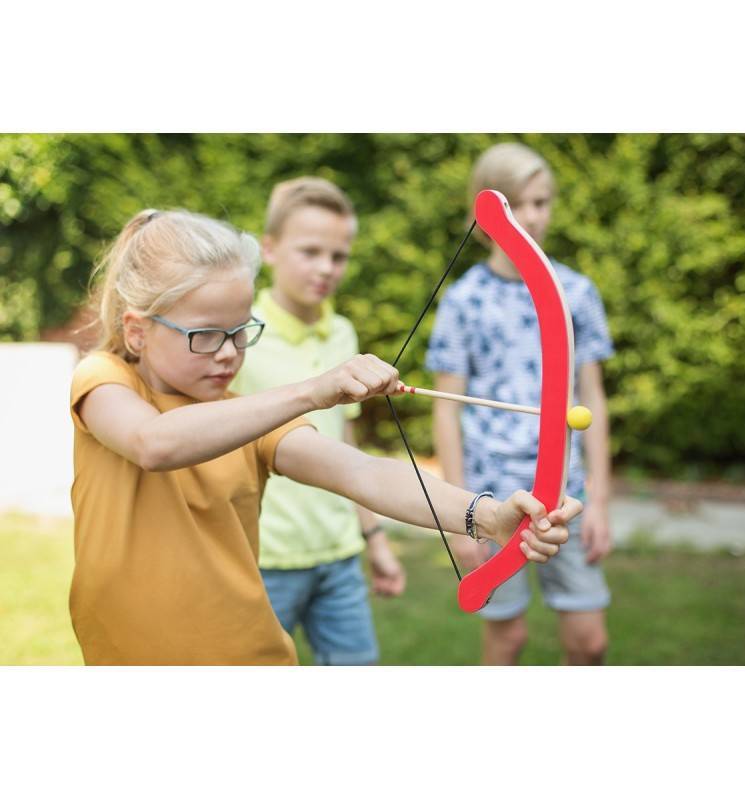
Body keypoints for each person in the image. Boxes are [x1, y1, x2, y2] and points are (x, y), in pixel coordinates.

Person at [69, 206, 580, 666]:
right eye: (206, 335)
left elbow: (360, 471)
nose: (228, 353)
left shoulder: (245, 416)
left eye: (241, 331)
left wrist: (488, 516)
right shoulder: (103, 381)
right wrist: (313, 390)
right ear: (137, 330)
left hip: (248, 659)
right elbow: (153, 444)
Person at [426, 142, 614, 666]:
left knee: (589, 641)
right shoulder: (465, 298)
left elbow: (591, 397)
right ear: (485, 212)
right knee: (505, 641)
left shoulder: (574, 290)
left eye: (541, 201)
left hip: (565, 494)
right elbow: (446, 408)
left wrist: (598, 500)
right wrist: (460, 515)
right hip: (491, 494)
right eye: (516, 204)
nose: (532, 215)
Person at [231, 177, 404, 665]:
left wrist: (375, 541)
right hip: (262, 560)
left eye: (339, 255)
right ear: (269, 249)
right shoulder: (238, 334)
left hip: (339, 556)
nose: (327, 268)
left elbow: (346, 444)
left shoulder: (343, 334)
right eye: (310, 251)